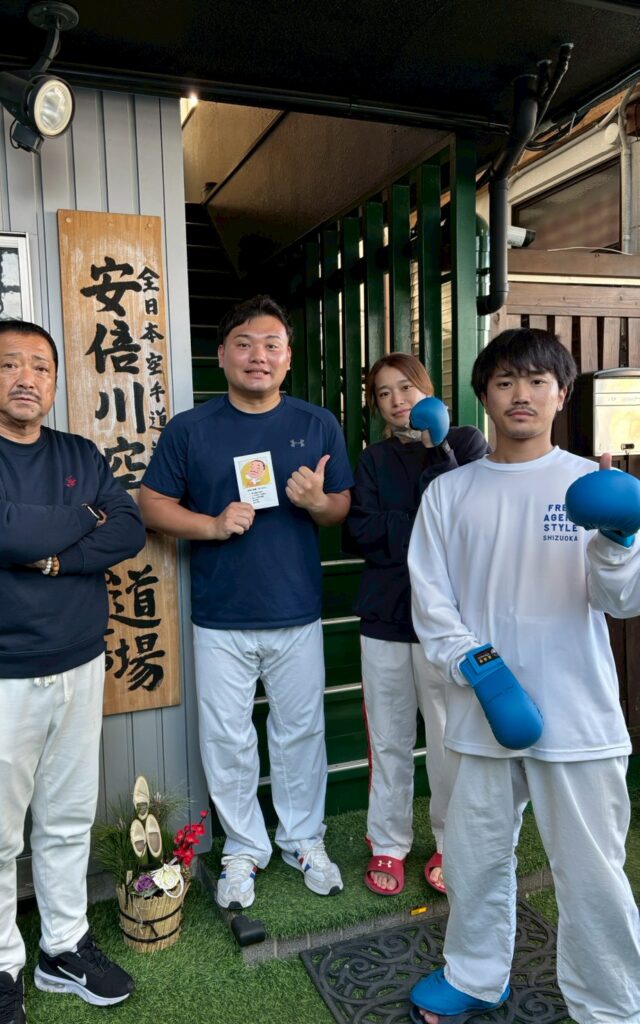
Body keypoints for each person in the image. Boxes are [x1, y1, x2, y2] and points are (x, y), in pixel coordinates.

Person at [407, 328, 640, 1024]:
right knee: (473, 858)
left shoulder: (588, 484)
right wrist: (480, 671)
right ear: (483, 396)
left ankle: (611, 1005)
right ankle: (475, 975)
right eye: (505, 381)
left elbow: (621, 601)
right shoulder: (449, 492)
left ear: (561, 395)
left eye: (538, 381)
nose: (522, 394)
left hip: (578, 709)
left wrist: (620, 540)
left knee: (592, 872)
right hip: (483, 709)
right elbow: (431, 602)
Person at [0, 320, 146, 1024]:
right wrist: (83, 516)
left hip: (79, 663)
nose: (27, 378)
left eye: (41, 367)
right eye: (11, 364)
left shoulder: (79, 452)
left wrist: (49, 555)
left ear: (54, 380)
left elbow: (128, 528)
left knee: (68, 818)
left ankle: (63, 948)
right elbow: (1, 532)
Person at [138, 295, 355, 910]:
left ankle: (303, 838)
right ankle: (243, 846)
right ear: (221, 355)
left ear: (288, 358)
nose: (258, 355)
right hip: (220, 616)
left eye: (271, 345)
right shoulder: (191, 428)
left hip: (297, 611)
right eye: (244, 344)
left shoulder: (317, 423)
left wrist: (318, 502)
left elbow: (341, 505)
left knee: (301, 732)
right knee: (227, 737)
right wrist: (210, 525)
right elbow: (150, 503)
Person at [344, 354, 488, 898]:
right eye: (384, 393)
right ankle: (388, 841)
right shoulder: (373, 459)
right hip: (385, 616)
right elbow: (360, 534)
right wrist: (423, 527)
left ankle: (452, 840)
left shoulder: (466, 444)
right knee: (389, 738)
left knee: (450, 738)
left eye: (406, 387)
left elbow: (467, 523)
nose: (397, 400)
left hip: (446, 621)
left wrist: (437, 451)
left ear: (427, 388)